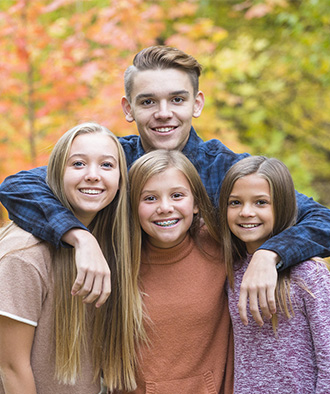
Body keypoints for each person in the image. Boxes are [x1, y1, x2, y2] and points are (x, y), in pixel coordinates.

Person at [1, 45, 330, 326]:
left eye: (176, 99)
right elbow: (18, 185)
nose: (163, 113)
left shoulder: (225, 170)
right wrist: (80, 237)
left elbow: (321, 219)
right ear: (128, 109)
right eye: (147, 102)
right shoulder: (113, 163)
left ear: (196, 104)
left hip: (206, 345)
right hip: (119, 339)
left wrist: (270, 254)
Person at [0, 122, 144, 394]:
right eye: (78, 163)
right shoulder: (23, 254)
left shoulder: (114, 240)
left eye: (107, 165)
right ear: (55, 174)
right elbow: (11, 367)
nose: (92, 174)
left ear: (121, 180)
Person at [107, 149, 233, 394]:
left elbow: (286, 219)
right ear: (132, 205)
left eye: (177, 195)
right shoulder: (116, 259)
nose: (165, 207)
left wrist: (270, 255)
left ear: (197, 202)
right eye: (150, 198)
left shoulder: (221, 247)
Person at [218, 156, 330, 394]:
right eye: (235, 203)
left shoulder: (309, 273)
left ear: (283, 206)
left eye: (260, 202)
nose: (246, 212)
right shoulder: (231, 270)